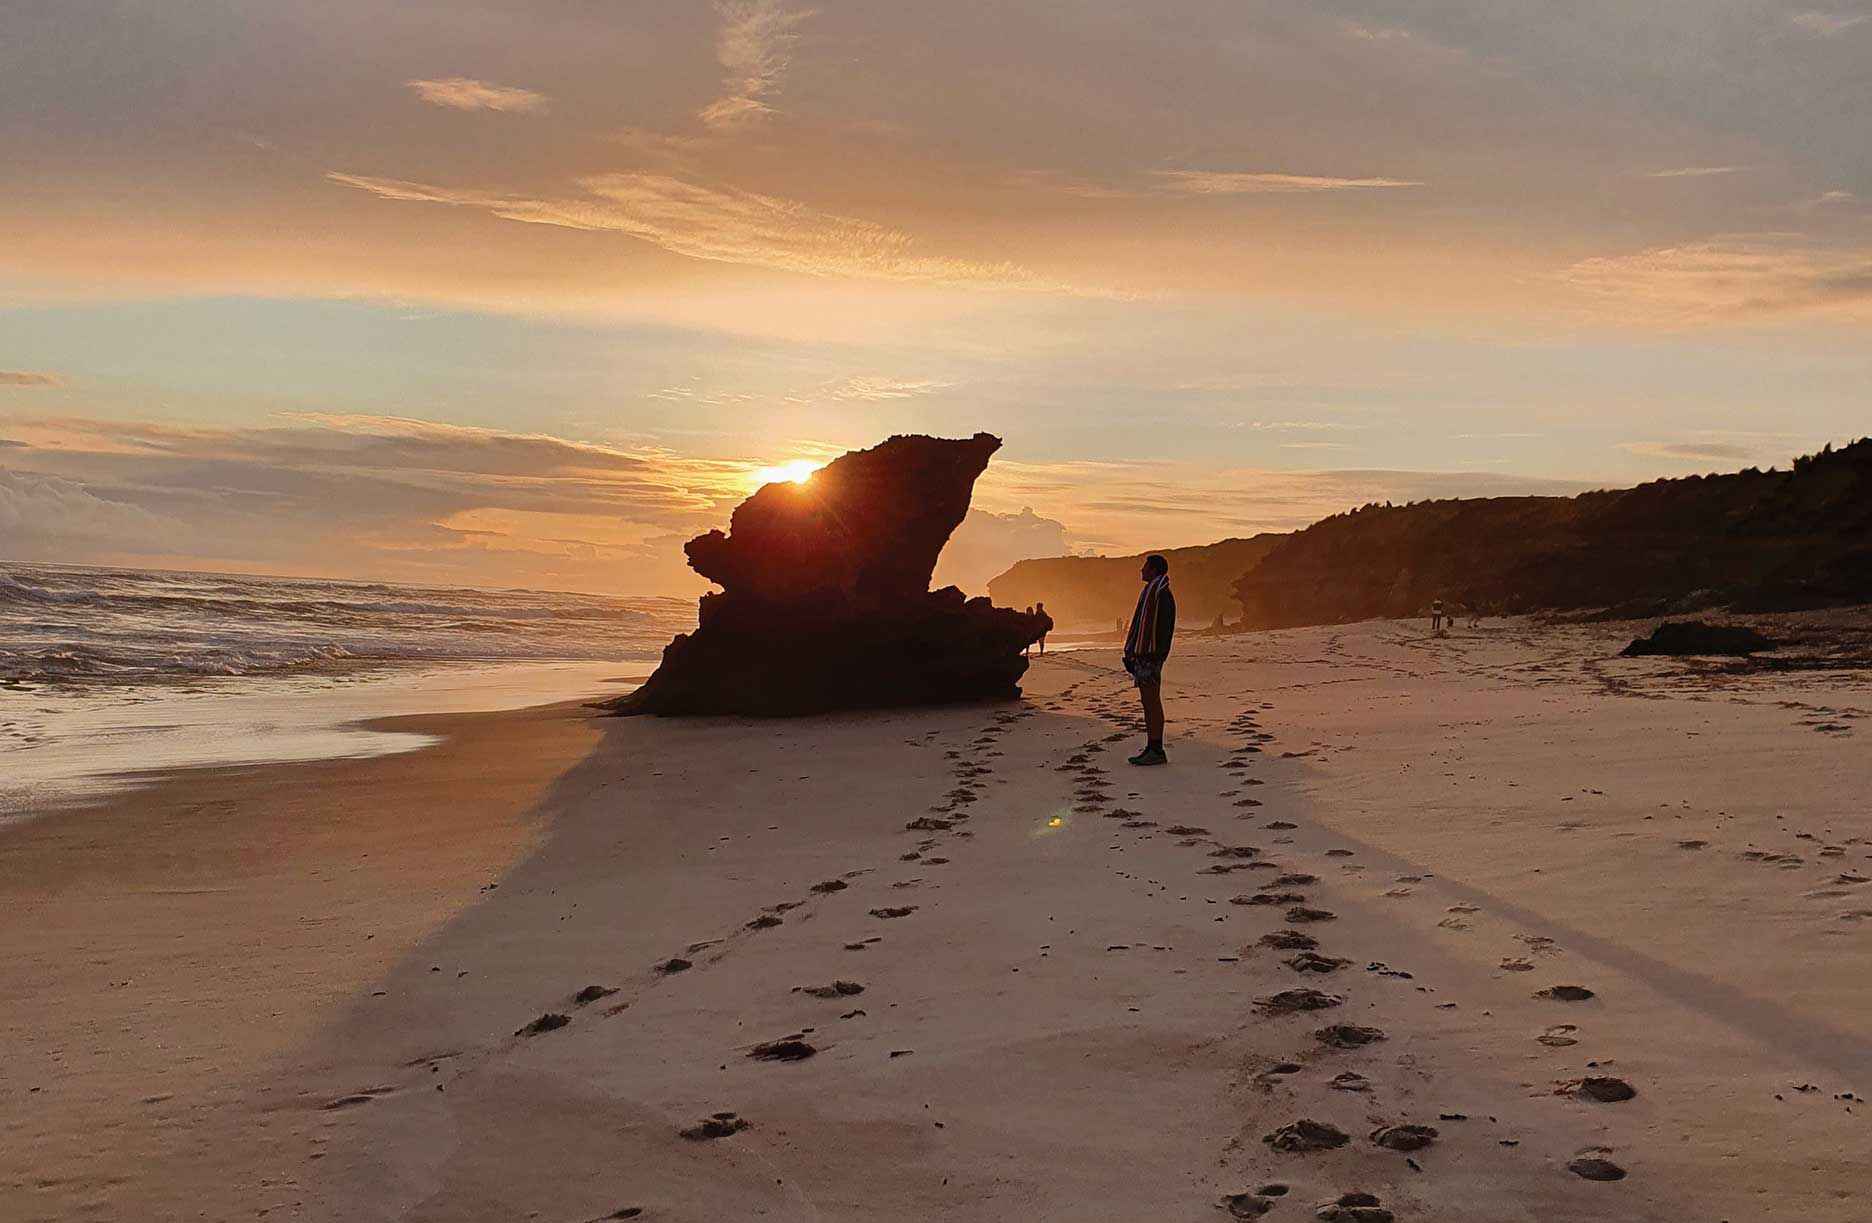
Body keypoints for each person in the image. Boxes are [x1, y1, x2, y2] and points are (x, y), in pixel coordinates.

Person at [1122, 554, 1176, 766]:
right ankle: (1153, 747)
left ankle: (1156, 748)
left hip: (1151, 656)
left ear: (1153, 570)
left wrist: (1148, 654)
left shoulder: (1160, 595)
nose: (1141, 570)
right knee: (1149, 701)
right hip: (1148, 655)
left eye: (1145, 566)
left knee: (1151, 701)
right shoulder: (1155, 592)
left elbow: (1160, 630)